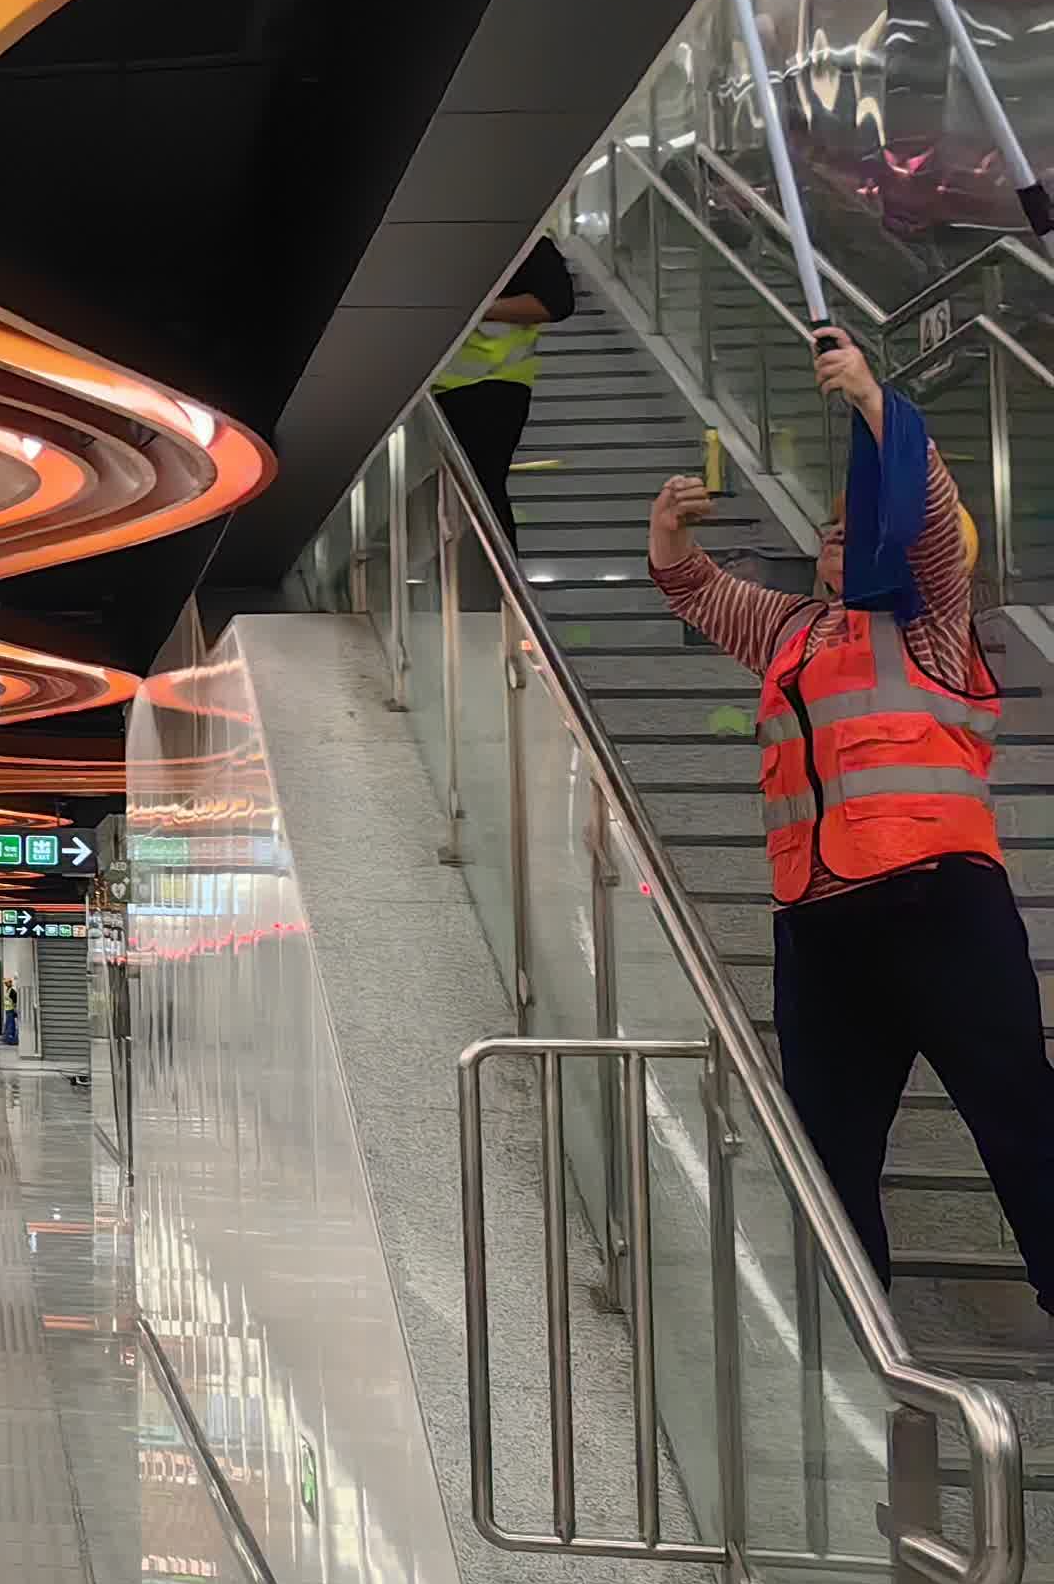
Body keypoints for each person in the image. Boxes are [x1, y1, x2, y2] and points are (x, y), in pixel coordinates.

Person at [648, 327, 1054, 1314]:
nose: (838, 533)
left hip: (938, 907)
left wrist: (873, 402)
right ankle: (854, 1343)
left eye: (855, 519)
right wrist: (669, 532)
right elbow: (696, 589)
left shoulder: (931, 618)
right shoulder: (791, 630)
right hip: (821, 926)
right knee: (827, 1156)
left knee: (1018, 1118)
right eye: (828, 526)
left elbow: (932, 518)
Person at [438, 232, 576, 554]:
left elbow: (557, 303)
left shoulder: (522, 242)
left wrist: (478, 309)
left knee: (482, 487)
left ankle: (497, 574)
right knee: (462, 491)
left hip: (492, 385)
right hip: (435, 389)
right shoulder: (431, 246)